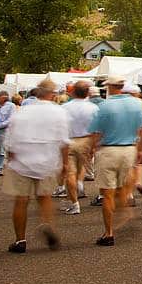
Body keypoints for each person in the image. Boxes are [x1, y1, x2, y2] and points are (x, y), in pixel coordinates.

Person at [2, 79, 69, 253]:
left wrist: (10, 157)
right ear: (52, 94)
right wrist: (65, 163)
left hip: (22, 161)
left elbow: (9, 138)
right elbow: (64, 141)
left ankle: (20, 240)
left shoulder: (22, 111)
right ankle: (47, 224)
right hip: (47, 160)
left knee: (21, 200)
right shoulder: (59, 112)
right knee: (44, 197)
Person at [87, 75, 142, 247]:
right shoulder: (136, 105)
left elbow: (96, 131)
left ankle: (109, 233)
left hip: (108, 150)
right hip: (129, 148)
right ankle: (125, 213)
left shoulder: (104, 106)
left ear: (109, 87)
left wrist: (92, 148)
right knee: (121, 188)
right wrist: (141, 149)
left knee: (107, 193)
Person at [56, 80, 98, 214]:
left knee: (70, 172)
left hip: (69, 140)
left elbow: (59, 127)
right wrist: (93, 145)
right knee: (82, 167)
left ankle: (74, 203)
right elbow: (97, 128)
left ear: (73, 91)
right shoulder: (93, 108)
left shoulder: (64, 108)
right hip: (86, 140)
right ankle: (79, 183)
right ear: (87, 93)